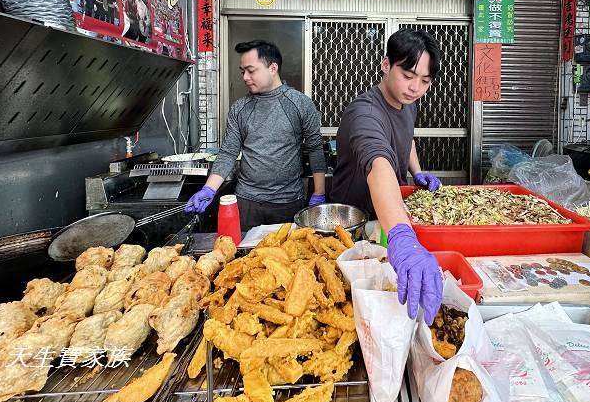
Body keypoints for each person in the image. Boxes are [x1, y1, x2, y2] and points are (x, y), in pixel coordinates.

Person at [330, 29, 444, 324]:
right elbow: (379, 163)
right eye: (408, 75)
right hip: (355, 229)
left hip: (386, 221)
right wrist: (403, 237)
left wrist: (417, 172)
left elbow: (408, 140)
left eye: (425, 81)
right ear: (385, 65)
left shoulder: (408, 105)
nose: (415, 87)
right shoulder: (364, 112)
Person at [185, 41, 328, 230]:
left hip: (288, 202)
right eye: (242, 71)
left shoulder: (300, 104)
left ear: (273, 68)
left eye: (251, 70)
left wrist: (319, 193)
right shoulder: (240, 108)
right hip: (247, 202)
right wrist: (209, 189)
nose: (245, 77)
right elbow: (228, 153)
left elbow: (315, 148)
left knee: (285, 257)